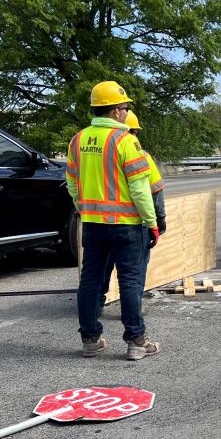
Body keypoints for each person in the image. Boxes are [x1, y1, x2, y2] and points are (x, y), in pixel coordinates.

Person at [67, 81, 159, 361]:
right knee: (131, 282)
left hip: (93, 224)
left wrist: (84, 208)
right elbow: (140, 189)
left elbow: (72, 182)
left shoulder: (78, 140)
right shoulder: (126, 141)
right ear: (116, 110)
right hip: (127, 225)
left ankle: (90, 340)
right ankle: (136, 342)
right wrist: (151, 221)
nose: (126, 111)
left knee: (91, 281)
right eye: (125, 107)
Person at [97, 110, 166, 317]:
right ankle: (133, 315)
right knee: (132, 276)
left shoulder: (96, 152)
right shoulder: (140, 155)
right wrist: (159, 220)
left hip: (98, 222)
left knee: (99, 271)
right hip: (132, 225)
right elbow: (154, 192)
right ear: (134, 131)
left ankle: (95, 306)